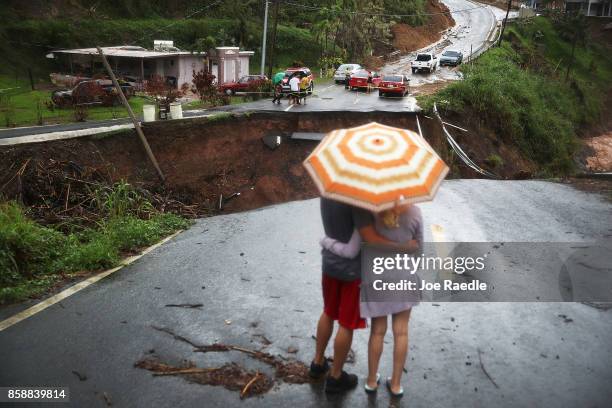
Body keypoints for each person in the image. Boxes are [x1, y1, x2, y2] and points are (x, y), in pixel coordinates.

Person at [319, 200, 423, 398]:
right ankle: (396, 385)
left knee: (377, 332)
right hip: (404, 278)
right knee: (401, 333)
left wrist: (327, 242)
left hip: (376, 278)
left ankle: (371, 381)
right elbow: (419, 249)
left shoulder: (373, 214)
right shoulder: (414, 212)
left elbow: (363, 247)